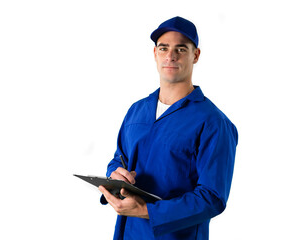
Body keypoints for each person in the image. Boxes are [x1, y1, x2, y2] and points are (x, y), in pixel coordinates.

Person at [98, 16, 238, 240]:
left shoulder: (213, 122)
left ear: (196, 55)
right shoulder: (137, 111)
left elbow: (212, 197)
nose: (170, 56)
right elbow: (119, 159)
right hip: (128, 233)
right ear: (155, 54)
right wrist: (115, 175)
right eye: (163, 48)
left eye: (181, 49)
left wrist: (147, 211)